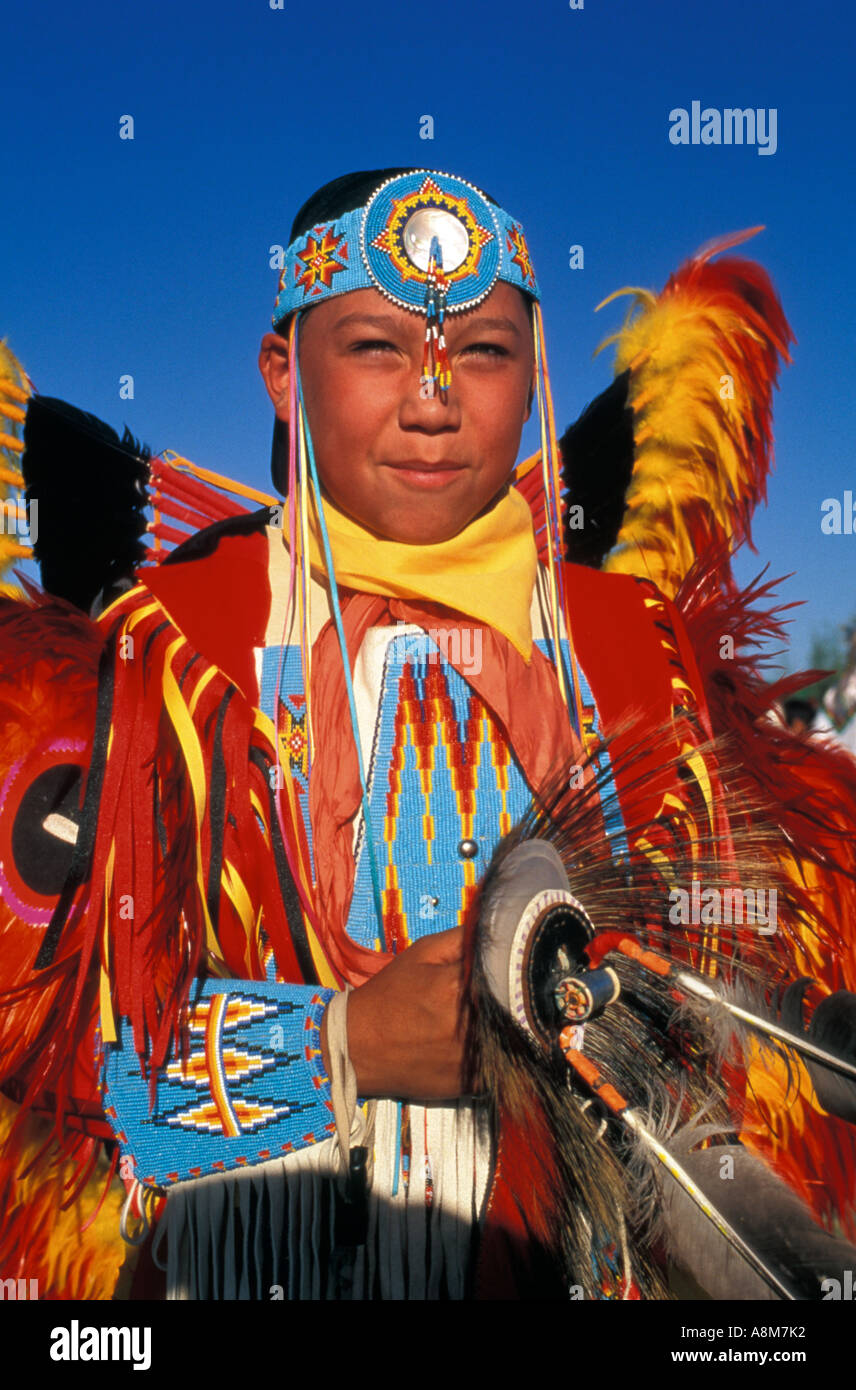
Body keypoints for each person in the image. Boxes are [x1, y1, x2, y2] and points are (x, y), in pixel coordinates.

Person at [2, 166, 856, 1301]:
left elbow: (764, 1035)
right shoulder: (161, 664)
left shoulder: (639, 658)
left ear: (534, 375)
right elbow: (59, 1075)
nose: (433, 400)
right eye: (376, 347)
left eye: (485, 353)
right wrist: (338, 1046)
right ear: (281, 372)